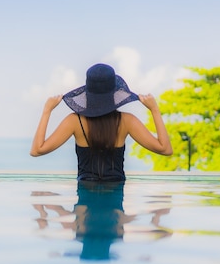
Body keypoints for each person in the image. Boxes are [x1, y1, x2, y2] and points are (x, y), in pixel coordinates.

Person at [30, 63, 172, 181]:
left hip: (84, 205)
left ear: (87, 92)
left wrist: (47, 110)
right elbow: (165, 149)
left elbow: (36, 150)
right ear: (114, 92)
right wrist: (154, 110)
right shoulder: (127, 121)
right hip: (116, 202)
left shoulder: (74, 121)